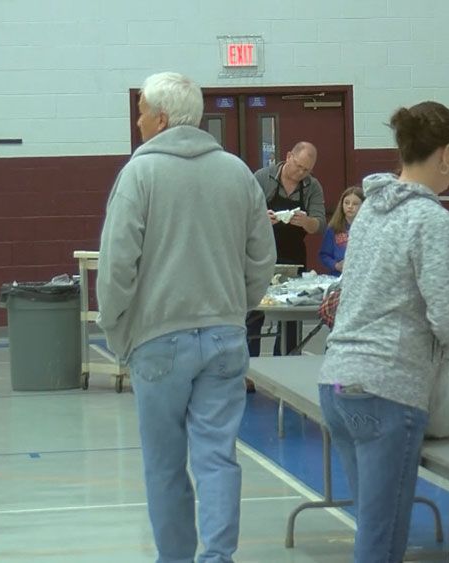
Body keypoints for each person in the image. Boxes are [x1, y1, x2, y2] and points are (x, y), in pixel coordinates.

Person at [96, 71, 276, 563]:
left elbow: (116, 265)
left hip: (157, 340)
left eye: (140, 112)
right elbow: (263, 257)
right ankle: (218, 558)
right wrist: (235, 308)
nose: (136, 122)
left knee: (165, 465)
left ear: (159, 118)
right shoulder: (238, 172)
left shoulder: (139, 174)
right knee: (218, 458)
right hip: (224, 339)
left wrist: (117, 332)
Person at [318, 101, 449, 563]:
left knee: (372, 524)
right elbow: (445, 311)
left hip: (339, 382)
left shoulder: (368, 212)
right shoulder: (431, 219)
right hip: (387, 387)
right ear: (445, 154)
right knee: (382, 543)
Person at [248, 141, 327, 357]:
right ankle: (249, 370)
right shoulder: (262, 177)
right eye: (298, 166)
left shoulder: (312, 186)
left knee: (292, 318)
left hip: (294, 258)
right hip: (260, 255)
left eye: (306, 170)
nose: (301, 172)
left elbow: (320, 224)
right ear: (289, 155)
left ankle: (286, 361)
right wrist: (260, 219)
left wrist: (306, 222)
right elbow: (243, 214)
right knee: (253, 315)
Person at [318, 185, 364, 276]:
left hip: (361, 277)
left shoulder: (368, 228)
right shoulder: (333, 228)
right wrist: (336, 265)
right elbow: (324, 255)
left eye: (355, 204)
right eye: (346, 203)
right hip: (338, 277)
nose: (350, 206)